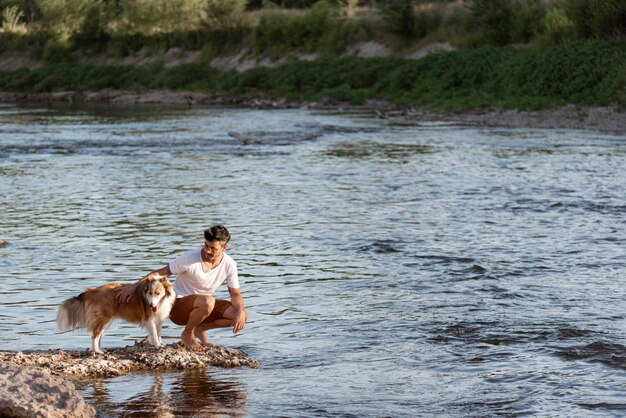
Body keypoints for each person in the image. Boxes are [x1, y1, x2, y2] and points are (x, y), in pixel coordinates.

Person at [116, 224, 248, 351]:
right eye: (206, 245)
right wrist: (133, 286)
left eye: (213, 248)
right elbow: (159, 273)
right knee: (208, 301)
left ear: (224, 248)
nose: (207, 250)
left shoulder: (230, 264)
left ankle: (199, 329)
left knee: (240, 314)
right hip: (178, 306)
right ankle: (187, 334)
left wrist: (240, 312)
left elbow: (235, 294)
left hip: (203, 307)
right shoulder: (189, 258)